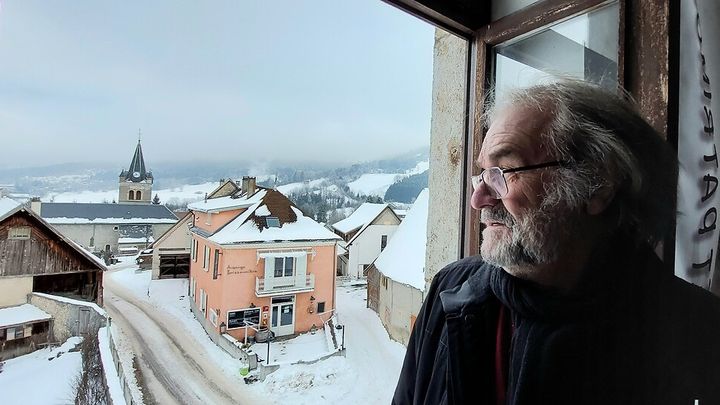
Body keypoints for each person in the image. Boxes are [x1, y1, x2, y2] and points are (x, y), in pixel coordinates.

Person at [392, 80, 720, 405]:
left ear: (597, 186)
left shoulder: (701, 336)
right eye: (483, 173)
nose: (478, 198)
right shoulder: (451, 291)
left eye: (504, 171)